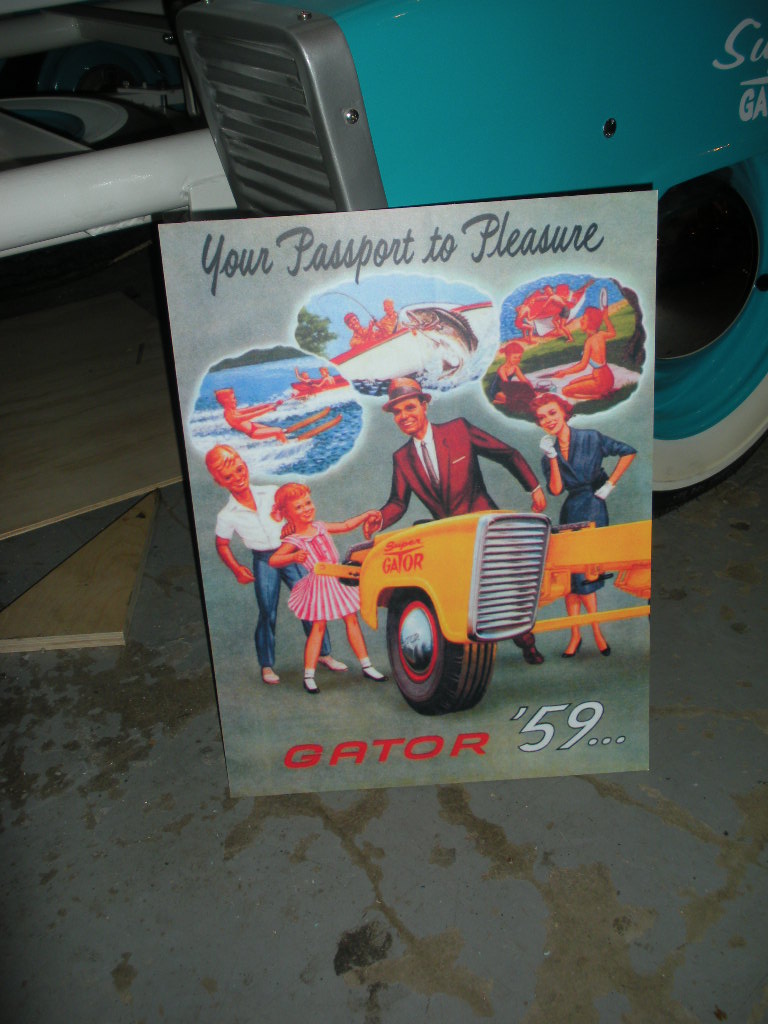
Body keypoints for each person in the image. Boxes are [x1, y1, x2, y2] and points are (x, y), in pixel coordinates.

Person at [364, 377, 547, 664]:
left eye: (409, 407)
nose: (404, 416)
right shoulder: (402, 458)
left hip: (485, 530)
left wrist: (533, 488)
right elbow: (398, 502)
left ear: (424, 406)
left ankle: (527, 643)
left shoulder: (459, 429)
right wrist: (380, 519)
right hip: (448, 539)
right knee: (460, 597)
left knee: (504, 589)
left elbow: (506, 453)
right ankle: (465, 651)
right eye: (397, 412)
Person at [205, 445, 346, 685]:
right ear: (219, 482)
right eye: (228, 477)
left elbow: (294, 511)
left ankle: (324, 653)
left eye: (239, 470)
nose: (237, 478)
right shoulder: (227, 514)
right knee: (267, 610)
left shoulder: (271, 492)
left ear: (245, 465)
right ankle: (267, 665)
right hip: (263, 561)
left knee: (312, 602)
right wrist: (236, 568)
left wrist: (294, 528)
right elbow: (222, 544)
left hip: (290, 552)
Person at [532, 393, 636, 657]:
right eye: (542, 417)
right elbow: (557, 490)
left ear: (564, 412)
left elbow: (628, 451)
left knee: (585, 576)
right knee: (570, 577)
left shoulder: (590, 437)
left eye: (552, 413)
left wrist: (610, 484)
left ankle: (597, 633)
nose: (548, 420)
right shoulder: (548, 455)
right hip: (570, 511)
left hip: (593, 507)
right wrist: (552, 457)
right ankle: (576, 635)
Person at [269, 482, 387, 694]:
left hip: (338, 579)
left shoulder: (321, 526)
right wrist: (293, 557)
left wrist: (365, 515)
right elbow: (274, 559)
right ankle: (309, 675)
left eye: (308, 503)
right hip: (319, 585)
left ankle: (367, 665)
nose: (306, 509)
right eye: (299, 507)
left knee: (351, 619)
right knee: (318, 627)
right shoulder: (294, 539)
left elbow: (346, 525)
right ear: (287, 513)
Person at [551, 306, 615, 400]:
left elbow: (582, 365)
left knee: (566, 391)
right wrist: (605, 318)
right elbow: (613, 333)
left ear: (591, 323)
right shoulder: (601, 334)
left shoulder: (589, 341)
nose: (581, 321)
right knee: (572, 382)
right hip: (608, 378)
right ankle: (602, 392)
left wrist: (564, 372)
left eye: (584, 319)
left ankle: (598, 397)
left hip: (600, 382)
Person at [214, 388, 287, 442]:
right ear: (226, 401)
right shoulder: (230, 415)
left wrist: (267, 405)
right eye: (233, 398)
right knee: (278, 430)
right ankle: (286, 444)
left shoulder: (233, 411)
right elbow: (252, 415)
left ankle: (281, 440)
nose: (235, 400)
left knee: (275, 431)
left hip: (254, 426)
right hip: (253, 432)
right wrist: (269, 409)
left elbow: (251, 409)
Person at [489, 341, 536, 414]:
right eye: (515, 357)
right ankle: (498, 401)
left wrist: (532, 390)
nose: (517, 360)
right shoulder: (502, 369)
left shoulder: (515, 367)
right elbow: (506, 385)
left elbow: (524, 380)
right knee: (515, 401)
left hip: (508, 389)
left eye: (519, 357)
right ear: (508, 356)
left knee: (526, 396)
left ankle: (503, 401)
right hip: (498, 391)